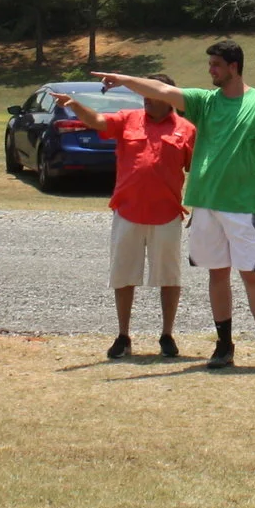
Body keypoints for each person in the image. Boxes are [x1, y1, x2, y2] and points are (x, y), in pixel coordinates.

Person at [94, 41, 255, 374]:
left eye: (216, 64)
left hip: (241, 205)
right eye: (210, 64)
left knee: (252, 275)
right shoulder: (204, 102)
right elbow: (160, 89)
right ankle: (224, 346)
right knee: (217, 275)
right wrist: (122, 79)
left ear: (234, 66)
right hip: (205, 204)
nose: (211, 70)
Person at [58, 77, 196, 360]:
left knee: (169, 277)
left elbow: (197, 171)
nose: (145, 97)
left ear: (168, 97)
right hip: (128, 211)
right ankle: (123, 336)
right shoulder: (128, 119)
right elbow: (97, 121)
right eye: (143, 92)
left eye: (152, 93)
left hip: (167, 214)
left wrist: (199, 207)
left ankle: (167, 335)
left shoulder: (186, 130)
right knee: (123, 275)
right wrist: (77, 107)